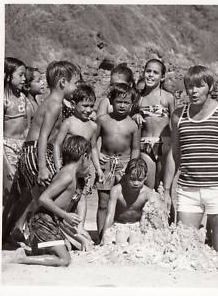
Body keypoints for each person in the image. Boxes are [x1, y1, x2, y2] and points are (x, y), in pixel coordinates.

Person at [168, 65, 218, 254]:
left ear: (210, 87)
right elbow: (174, 154)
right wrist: (166, 190)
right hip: (187, 191)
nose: (193, 91)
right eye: (189, 86)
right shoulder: (178, 115)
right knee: (184, 251)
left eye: (199, 86)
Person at [9, 61, 80, 241]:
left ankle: (27, 236)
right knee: (51, 196)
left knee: (37, 198)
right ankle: (44, 236)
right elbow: (43, 136)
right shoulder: (54, 104)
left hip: (33, 151)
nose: (77, 87)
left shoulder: (55, 102)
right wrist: (42, 166)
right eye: (76, 83)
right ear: (63, 82)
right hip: (36, 152)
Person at [16, 135, 93, 266]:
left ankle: (33, 250)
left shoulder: (69, 173)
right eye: (90, 158)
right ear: (84, 156)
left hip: (49, 221)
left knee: (67, 248)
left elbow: (58, 216)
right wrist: (66, 215)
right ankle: (20, 260)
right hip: (43, 222)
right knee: (65, 260)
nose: (90, 163)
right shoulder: (67, 176)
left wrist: (79, 237)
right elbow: (43, 198)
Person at [53, 84, 104, 241]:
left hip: (84, 169)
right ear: (74, 104)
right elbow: (57, 144)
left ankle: (80, 226)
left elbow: (93, 148)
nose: (88, 110)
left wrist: (98, 169)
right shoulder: (68, 123)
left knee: (82, 197)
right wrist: (57, 166)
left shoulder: (93, 126)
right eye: (84, 105)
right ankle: (59, 225)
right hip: (68, 167)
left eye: (91, 106)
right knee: (65, 196)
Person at [95, 83, 141, 239]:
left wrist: (132, 167)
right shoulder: (102, 120)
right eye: (119, 102)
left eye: (126, 102)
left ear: (132, 104)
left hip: (125, 164)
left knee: (121, 201)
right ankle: (101, 236)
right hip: (105, 163)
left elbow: (135, 148)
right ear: (111, 101)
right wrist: (96, 156)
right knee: (103, 201)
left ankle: (116, 235)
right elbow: (92, 142)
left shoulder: (133, 125)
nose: (122, 105)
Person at [138, 59, 175, 190]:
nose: (151, 75)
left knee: (164, 189)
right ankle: (149, 211)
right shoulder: (139, 98)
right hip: (145, 144)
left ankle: (168, 211)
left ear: (162, 77)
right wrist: (134, 115)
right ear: (143, 73)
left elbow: (175, 122)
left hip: (164, 144)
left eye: (155, 72)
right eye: (148, 71)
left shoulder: (168, 97)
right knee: (148, 189)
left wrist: (175, 146)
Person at [100, 158, 158, 242]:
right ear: (126, 175)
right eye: (132, 179)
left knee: (135, 240)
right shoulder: (116, 190)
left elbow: (148, 220)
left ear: (146, 177)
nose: (136, 183)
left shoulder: (148, 194)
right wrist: (104, 236)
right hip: (119, 224)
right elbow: (110, 216)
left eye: (140, 180)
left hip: (137, 226)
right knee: (119, 239)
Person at [3, 57, 28, 203]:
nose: (24, 78)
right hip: (7, 147)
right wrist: (6, 164)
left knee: (22, 193)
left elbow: (25, 126)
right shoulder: (2, 99)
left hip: (22, 147)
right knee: (8, 194)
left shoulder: (23, 97)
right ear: (7, 75)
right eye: (20, 75)